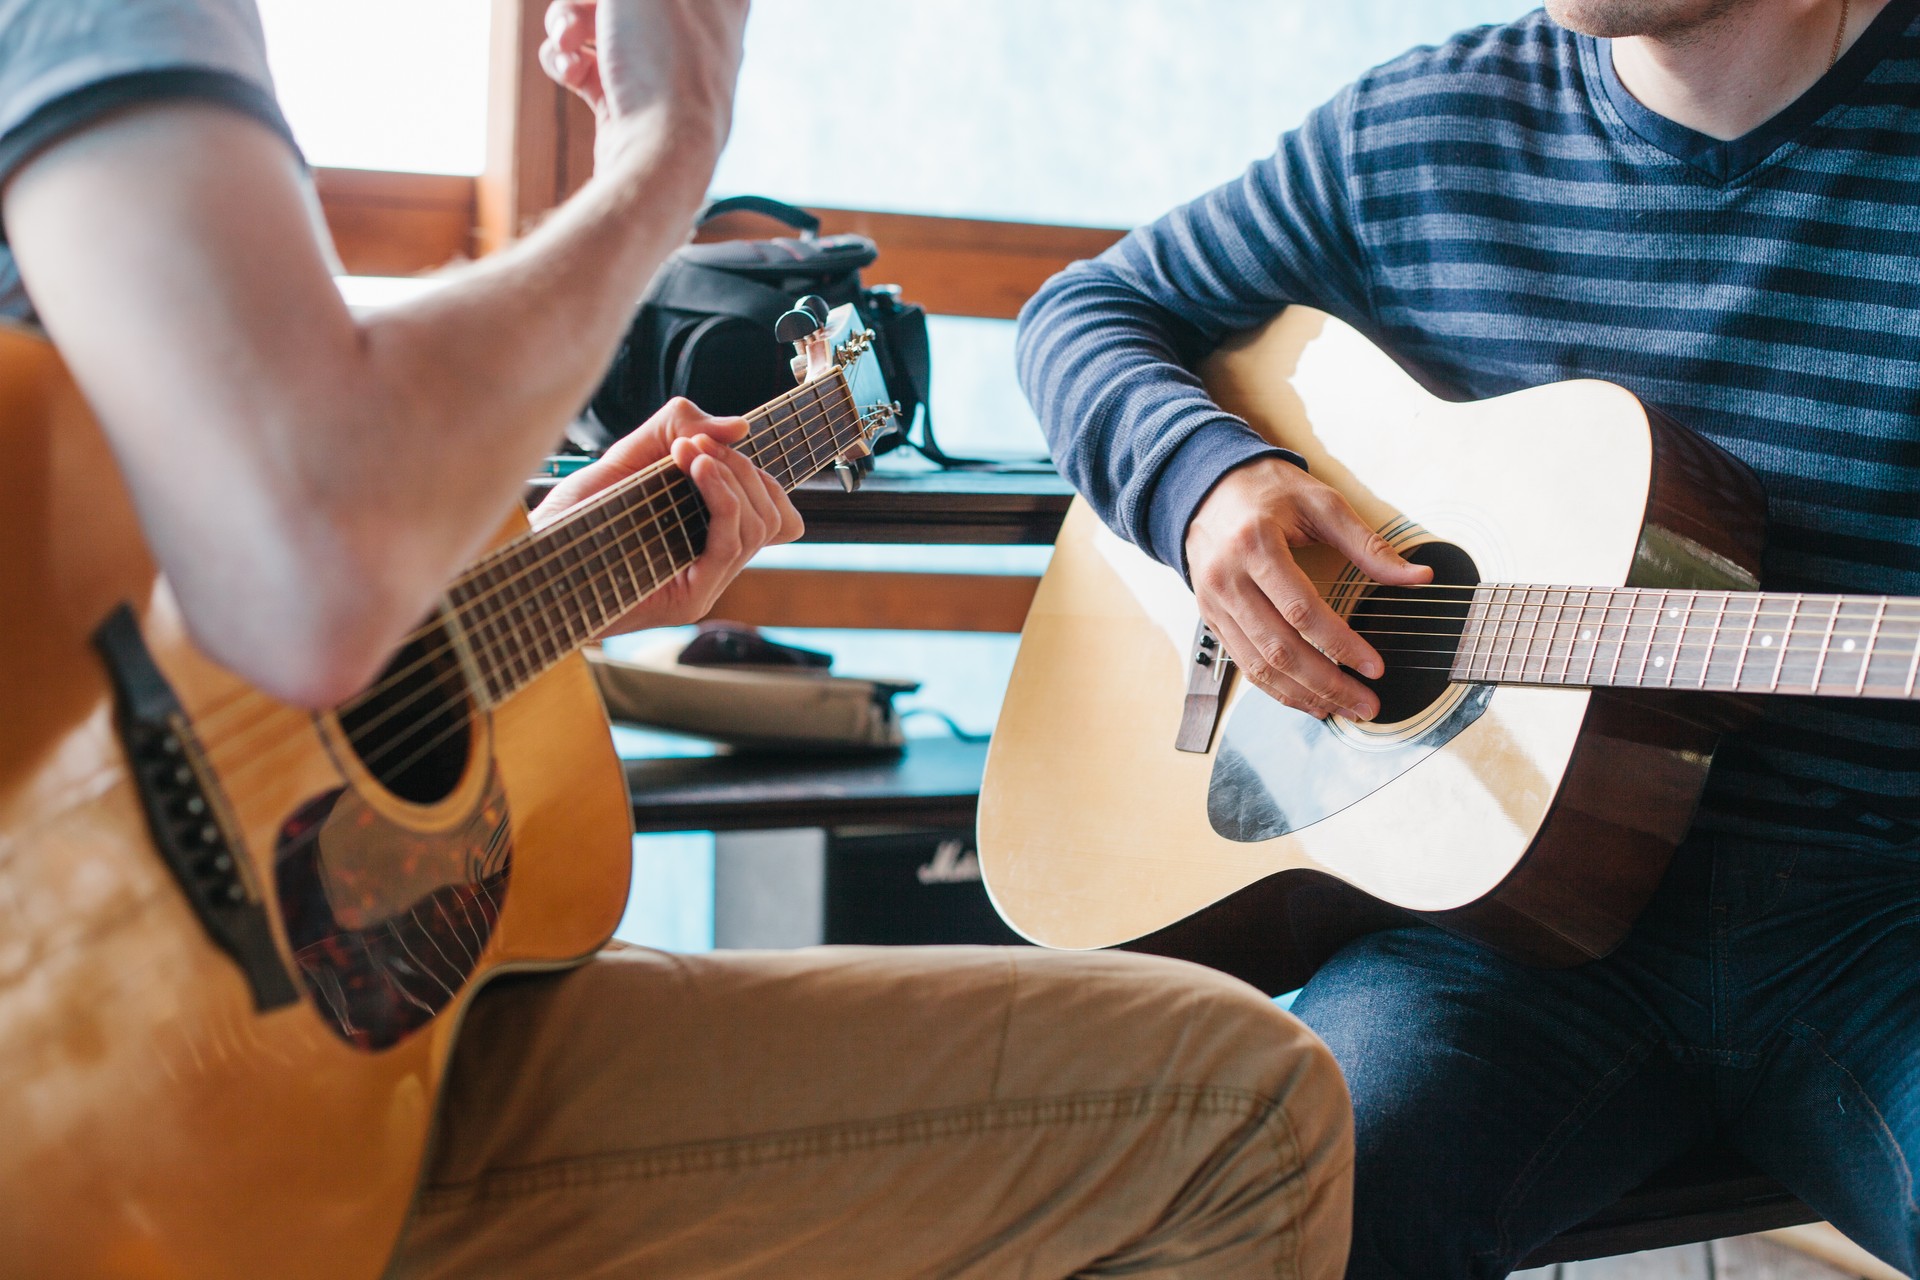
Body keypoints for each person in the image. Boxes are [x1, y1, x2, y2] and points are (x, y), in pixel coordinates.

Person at [0, 0, 1354, 1276]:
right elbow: (308, 560)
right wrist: (666, 149)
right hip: (158, 1129)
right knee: (1241, 1125)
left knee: (1253, 1086)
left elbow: (238, 545)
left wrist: (534, 561)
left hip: (325, 1050)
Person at [1020, 0, 1920, 1275]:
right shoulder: (1427, 126)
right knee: (1267, 1227)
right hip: (1491, 936)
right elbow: (1088, 309)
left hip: (1883, 917)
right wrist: (1204, 488)